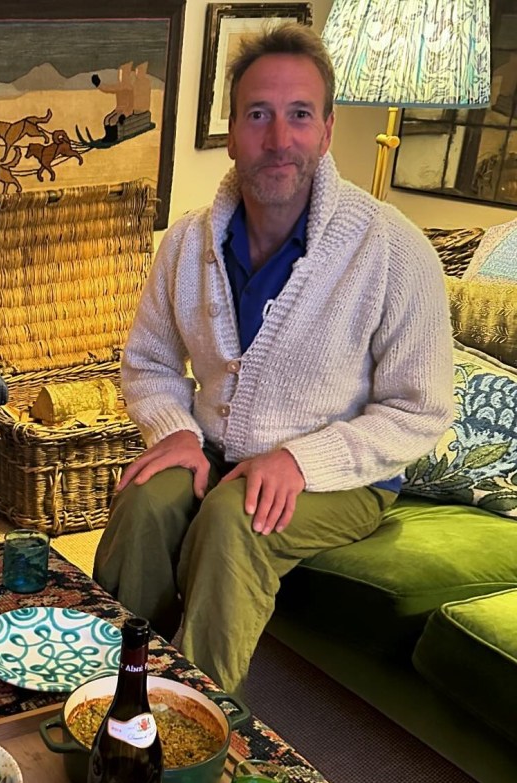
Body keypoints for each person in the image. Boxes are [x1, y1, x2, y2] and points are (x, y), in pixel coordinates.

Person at [93, 23, 453, 696]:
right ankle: (99, 686)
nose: (279, 138)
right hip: (214, 450)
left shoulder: (394, 253)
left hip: (342, 478)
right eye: (258, 115)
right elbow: (148, 363)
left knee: (237, 522)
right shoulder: (186, 243)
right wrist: (175, 431)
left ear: (326, 129)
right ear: (231, 131)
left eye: (298, 116)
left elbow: (418, 411)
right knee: (144, 500)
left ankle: (183, 728)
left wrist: (298, 461)